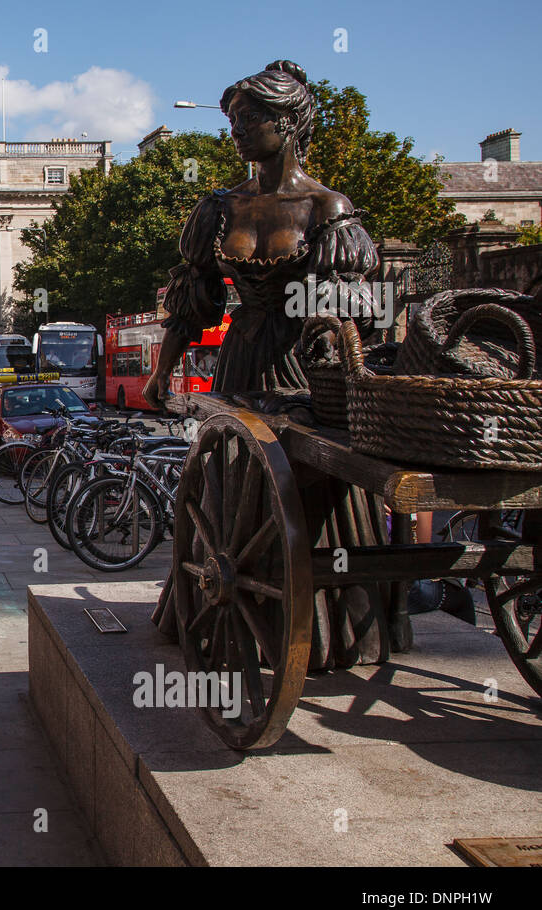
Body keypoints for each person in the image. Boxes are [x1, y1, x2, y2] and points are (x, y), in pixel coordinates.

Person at [141, 59, 393, 669]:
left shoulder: (326, 208)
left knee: (306, 492)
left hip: (303, 365)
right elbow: (192, 298)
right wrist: (161, 372)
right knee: (232, 490)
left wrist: (340, 352)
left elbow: (348, 309)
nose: (237, 129)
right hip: (239, 364)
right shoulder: (218, 209)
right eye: (232, 118)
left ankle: (315, 631)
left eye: (250, 117)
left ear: (291, 120)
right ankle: (225, 604)